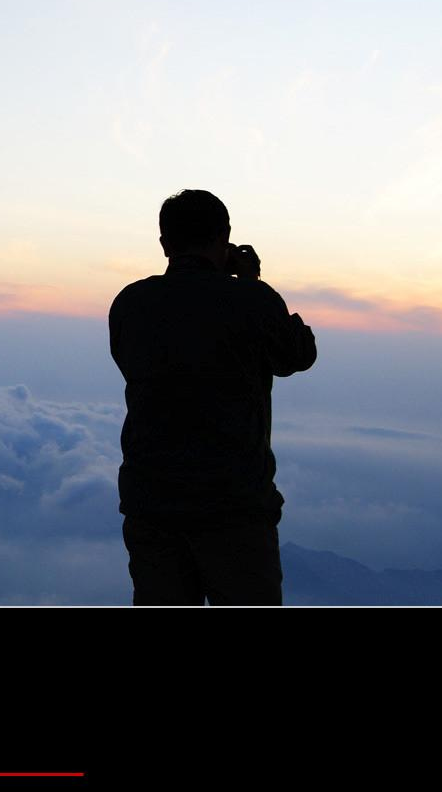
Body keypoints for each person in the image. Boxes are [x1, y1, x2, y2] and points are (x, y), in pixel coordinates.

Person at [109, 189, 316, 605]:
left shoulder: (130, 303)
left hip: (152, 504)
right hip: (234, 508)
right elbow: (298, 355)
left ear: (165, 243)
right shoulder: (250, 300)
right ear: (225, 238)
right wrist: (251, 282)